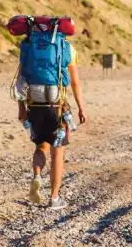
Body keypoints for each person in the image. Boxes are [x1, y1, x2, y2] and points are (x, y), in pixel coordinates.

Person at [15, 17, 88, 209]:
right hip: (57, 104)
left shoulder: (29, 45)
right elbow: (75, 83)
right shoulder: (67, 48)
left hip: (34, 102)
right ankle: (54, 198)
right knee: (58, 152)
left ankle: (37, 176)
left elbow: (20, 79)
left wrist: (21, 108)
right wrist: (81, 107)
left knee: (41, 146)